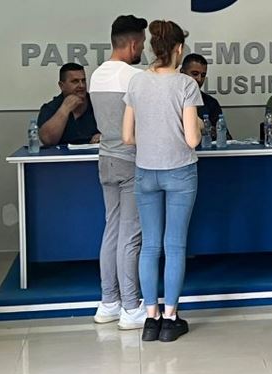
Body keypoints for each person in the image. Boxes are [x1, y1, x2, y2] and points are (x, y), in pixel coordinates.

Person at [122, 20, 202, 343]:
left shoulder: (137, 82)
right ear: (179, 48)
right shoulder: (186, 85)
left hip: (145, 171)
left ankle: (150, 319)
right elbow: (193, 140)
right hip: (180, 171)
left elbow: (127, 136)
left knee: (150, 246)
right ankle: (170, 319)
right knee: (175, 245)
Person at [89, 15, 147, 330]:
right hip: (130, 160)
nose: (144, 50)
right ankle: (131, 307)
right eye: (143, 44)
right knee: (130, 235)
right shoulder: (134, 77)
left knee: (111, 229)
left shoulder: (97, 75)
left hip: (105, 160)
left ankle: (108, 302)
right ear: (134, 43)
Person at [37, 63, 101, 146]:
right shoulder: (50, 108)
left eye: (83, 80)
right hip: (61, 154)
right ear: (62, 86)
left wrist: (103, 137)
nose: (81, 85)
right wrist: (65, 109)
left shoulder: (97, 103)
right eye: (75, 81)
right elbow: (48, 140)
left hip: (94, 153)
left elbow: (114, 131)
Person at [180, 53, 232, 141]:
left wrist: (206, 128)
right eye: (195, 74)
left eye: (203, 75)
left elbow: (226, 138)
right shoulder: (172, 99)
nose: (199, 79)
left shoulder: (211, 103)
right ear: (182, 73)